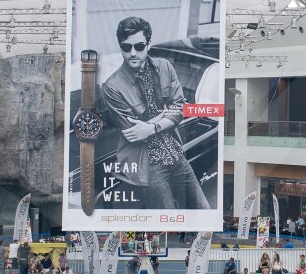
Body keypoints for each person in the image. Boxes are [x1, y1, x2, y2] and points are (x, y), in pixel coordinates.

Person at [77, 15, 211, 211]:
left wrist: (151, 127)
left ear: (148, 44)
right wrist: (166, 114)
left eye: (139, 46)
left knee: (204, 212)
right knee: (167, 223)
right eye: (126, 47)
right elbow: (133, 132)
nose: (132, 53)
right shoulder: (112, 87)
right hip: (148, 167)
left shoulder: (165, 66)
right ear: (120, 46)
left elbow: (180, 108)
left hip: (176, 154)